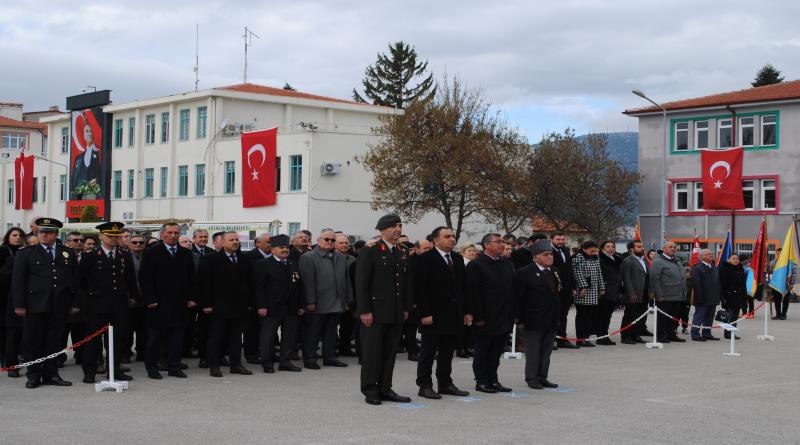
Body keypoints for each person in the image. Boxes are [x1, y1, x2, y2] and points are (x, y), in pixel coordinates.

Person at [12, 218, 80, 388]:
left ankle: (51, 373)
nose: (43, 235)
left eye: (48, 232)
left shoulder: (67, 253)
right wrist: (19, 305)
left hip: (60, 304)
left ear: (56, 234)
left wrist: (75, 302)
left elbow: (75, 280)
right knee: (32, 340)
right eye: (41, 232)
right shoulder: (26, 253)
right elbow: (19, 281)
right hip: (35, 304)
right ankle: (33, 374)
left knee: (55, 340)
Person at [356, 214, 413, 405]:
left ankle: (385, 388)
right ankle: (370, 390)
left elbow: (405, 282)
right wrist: (364, 310)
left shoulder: (402, 249)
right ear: (382, 230)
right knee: (372, 353)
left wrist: (405, 307)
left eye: (399, 226)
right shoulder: (370, 250)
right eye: (393, 226)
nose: (398, 229)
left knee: (389, 352)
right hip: (375, 310)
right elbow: (362, 283)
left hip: (395, 310)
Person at [414, 227, 471, 399]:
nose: (452, 239)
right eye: (447, 236)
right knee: (428, 352)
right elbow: (420, 289)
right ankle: (424, 385)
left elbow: (462, 287)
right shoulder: (424, 259)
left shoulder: (457, 258)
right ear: (435, 240)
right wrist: (424, 313)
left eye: (453, 236)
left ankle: (445, 383)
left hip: (453, 314)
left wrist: (466, 311)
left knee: (447, 352)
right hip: (433, 314)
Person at [78, 222, 138, 383]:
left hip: (118, 304)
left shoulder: (124, 254)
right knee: (92, 341)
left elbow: (130, 278)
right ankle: (89, 371)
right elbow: (81, 281)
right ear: (101, 236)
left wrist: (133, 296)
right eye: (110, 236)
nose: (113, 239)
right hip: (96, 305)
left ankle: (114, 370)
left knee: (117, 339)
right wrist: (84, 301)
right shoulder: (90, 255)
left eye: (116, 236)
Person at [139, 223, 198, 379]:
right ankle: (152, 368)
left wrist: (192, 297)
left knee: (177, 337)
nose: (173, 235)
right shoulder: (152, 253)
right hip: (158, 303)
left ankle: (174, 366)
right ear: (163, 234)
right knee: (155, 338)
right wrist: (150, 299)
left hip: (179, 303)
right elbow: (145, 279)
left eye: (176, 233)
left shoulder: (185, 253)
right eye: (170, 232)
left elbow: (191, 277)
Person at [199, 232, 253, 377]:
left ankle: (236, 364)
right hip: (218, 306)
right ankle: (214, 365)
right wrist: (206, 304)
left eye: (237, 239)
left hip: (239, 306)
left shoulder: (244, 259)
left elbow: (249, 283)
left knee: (236, 338)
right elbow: (205, 285)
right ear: (222, 243)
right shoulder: (211, 260)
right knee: (216, 337)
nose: (235, 242)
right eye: (231, 240)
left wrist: (249, 303)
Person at [466, 233, 514, 394]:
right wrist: (477, 316)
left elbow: (511, 291)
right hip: (485, 316)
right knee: (483, 350)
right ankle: (481, 381)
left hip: (503, 315)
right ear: (486, 245)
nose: (502, 244)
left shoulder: (506, 264)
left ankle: (493, 379)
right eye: (498, 242)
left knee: (496, 351)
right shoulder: (477, 265)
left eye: (503, 242)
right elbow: (473, 293)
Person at [298, 229, 352, 369]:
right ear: (318, 240)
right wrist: (310, 301)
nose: (330, 242)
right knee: (313, 332)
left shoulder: (340, 257)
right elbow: (307, 282)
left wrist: (347, 300)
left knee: (331, 332)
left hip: (336, 301)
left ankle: (330, 357)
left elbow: (346, 280)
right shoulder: (308, 257)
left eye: (333, 240)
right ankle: (309, 359)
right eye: (326, 239)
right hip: (318, 302)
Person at [515, 240, 560, 389]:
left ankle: (542, 376)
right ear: (535, 257)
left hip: (551, 317)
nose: (549, 257)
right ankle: (532, 378)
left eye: (550, 254)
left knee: (546, 351)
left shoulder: (554, 271)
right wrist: (519, 319)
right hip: (533, 318)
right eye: (545, 255)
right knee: (533, 351)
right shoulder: (524, 272)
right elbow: (519, 297)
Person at [254, 234, 303, 373]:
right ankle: (267, 362)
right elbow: (259, 287)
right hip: (271, 307)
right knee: (268, 337)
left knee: (289, 337)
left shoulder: (293, 263)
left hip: (291, 307)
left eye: (286, 247)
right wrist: (261, 306)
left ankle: (285, 362)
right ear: (273, 249)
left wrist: (300, 305)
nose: (285, 250)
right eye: (281, 247)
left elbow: (299, 286)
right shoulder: (263, 264)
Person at [649, 242, 688, 343]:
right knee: (662, 318)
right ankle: (660, 336)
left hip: (678, 295)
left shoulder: (676, 260)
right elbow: (654, 279)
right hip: (665, 295)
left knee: (674, 317)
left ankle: (671, 334)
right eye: (670, 247)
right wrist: (658, 294)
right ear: (664, 249)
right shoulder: (658, 261)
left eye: (675, 247)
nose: (673, 249)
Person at [242, 233, 272, 364]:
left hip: (270, 299)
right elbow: (245, 280)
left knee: (267, 329)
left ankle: (266, 352)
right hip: (253, 300)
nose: (270, 245)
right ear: (257, 243)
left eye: (271, 242)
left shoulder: (274, 256)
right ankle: (251, 354)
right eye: (267, 242)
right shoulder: (248, 257)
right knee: (252, 329)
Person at [571, 241, 605, 347]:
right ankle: (580, 339)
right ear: (584, 249)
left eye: (595, 250)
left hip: (594, 290)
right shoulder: (578, 257)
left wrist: (601, 287)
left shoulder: (595, 257)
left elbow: (599, 272)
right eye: (591, 250)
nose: (594, 252)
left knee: (590, 316)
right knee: (582, 315)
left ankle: (586, 337)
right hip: (583, 291)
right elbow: (577, 272)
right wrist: (583, 286)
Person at [1, 227, 25, 377]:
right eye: (14, 235)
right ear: (8, 237)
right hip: (5, 297)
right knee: (8, 331)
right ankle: (8, 359)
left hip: (18, 297)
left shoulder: (24, 253)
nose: (17, 237)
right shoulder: (4, 252)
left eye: (19, 235)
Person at [122, 234, 147, 362]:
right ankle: (126, 354)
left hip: (145, 300)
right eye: (135, 242)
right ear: (129, 244)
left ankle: (142, 353)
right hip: (129, 300)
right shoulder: (123, 258)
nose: (138, 244)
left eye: (141, 242)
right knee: (127, 331)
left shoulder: (148, 257)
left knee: (143, 330)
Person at [551, 232, 578, 349]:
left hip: (567, 289)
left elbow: (569, 271)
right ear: (551, 239)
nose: (561, 241)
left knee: (564, 315)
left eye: (562, 239)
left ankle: (562, 338)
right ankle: (551, 340)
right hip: (554, 289)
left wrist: (573, 287)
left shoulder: (566, 251)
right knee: (552, 315)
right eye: (558, 239)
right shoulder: (547, 252)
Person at [334, 233, 359, 358]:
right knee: (332, 326)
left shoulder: (353, 259)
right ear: (335, 244)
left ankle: (345, 347)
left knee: (347, 326)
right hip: (335, 298)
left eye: (346, 243)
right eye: (341, 243)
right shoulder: (331, 259)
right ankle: (331, 349)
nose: (344, 245)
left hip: (350, 298)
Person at [619, 241, 648, 344]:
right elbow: (626, 279)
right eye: (639, 247)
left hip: (643, 293)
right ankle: (626, 336)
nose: (642, 248)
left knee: (639, 316)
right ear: (631, 249)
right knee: (630, 315)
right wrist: (631, 293)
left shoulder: (643, 260)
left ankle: (636, 335)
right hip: (633, 294)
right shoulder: (627, 261)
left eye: (642, 246)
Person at [689, 249, 721, 341]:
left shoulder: (713, 266)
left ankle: (707, 333)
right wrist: (699, 298)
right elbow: (696, 284)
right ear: (702, 256)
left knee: (709, 317)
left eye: (712, 253)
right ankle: (695, 334)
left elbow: (717, 282)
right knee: (699, 316)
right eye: (709, 254)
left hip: (713, 297)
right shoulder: (697, 267)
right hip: (702, 297)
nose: (712, 255)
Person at [597, 241, 622, 345]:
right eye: (608, 246)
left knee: (608, 315)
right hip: (605, 291)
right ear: (602, 248)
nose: (611, 248)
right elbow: (601, 275)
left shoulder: (616, 259)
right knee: (603, 315)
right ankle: (601, 336)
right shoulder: (601, 259)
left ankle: (604, 335)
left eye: (612, 246)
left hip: (614, 290)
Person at [718, 253, 746, 340]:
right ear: (729, 259)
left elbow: (742, 283)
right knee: (730, 315)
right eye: (733, 259)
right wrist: (723, 298)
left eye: (737, 259)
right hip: (728, 296)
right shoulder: (724, 269)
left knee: (735, 316)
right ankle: (728, 333)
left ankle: (731, 332)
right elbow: (722, 284)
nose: (735, 260)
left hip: (738, 296)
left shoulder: (740, 268)